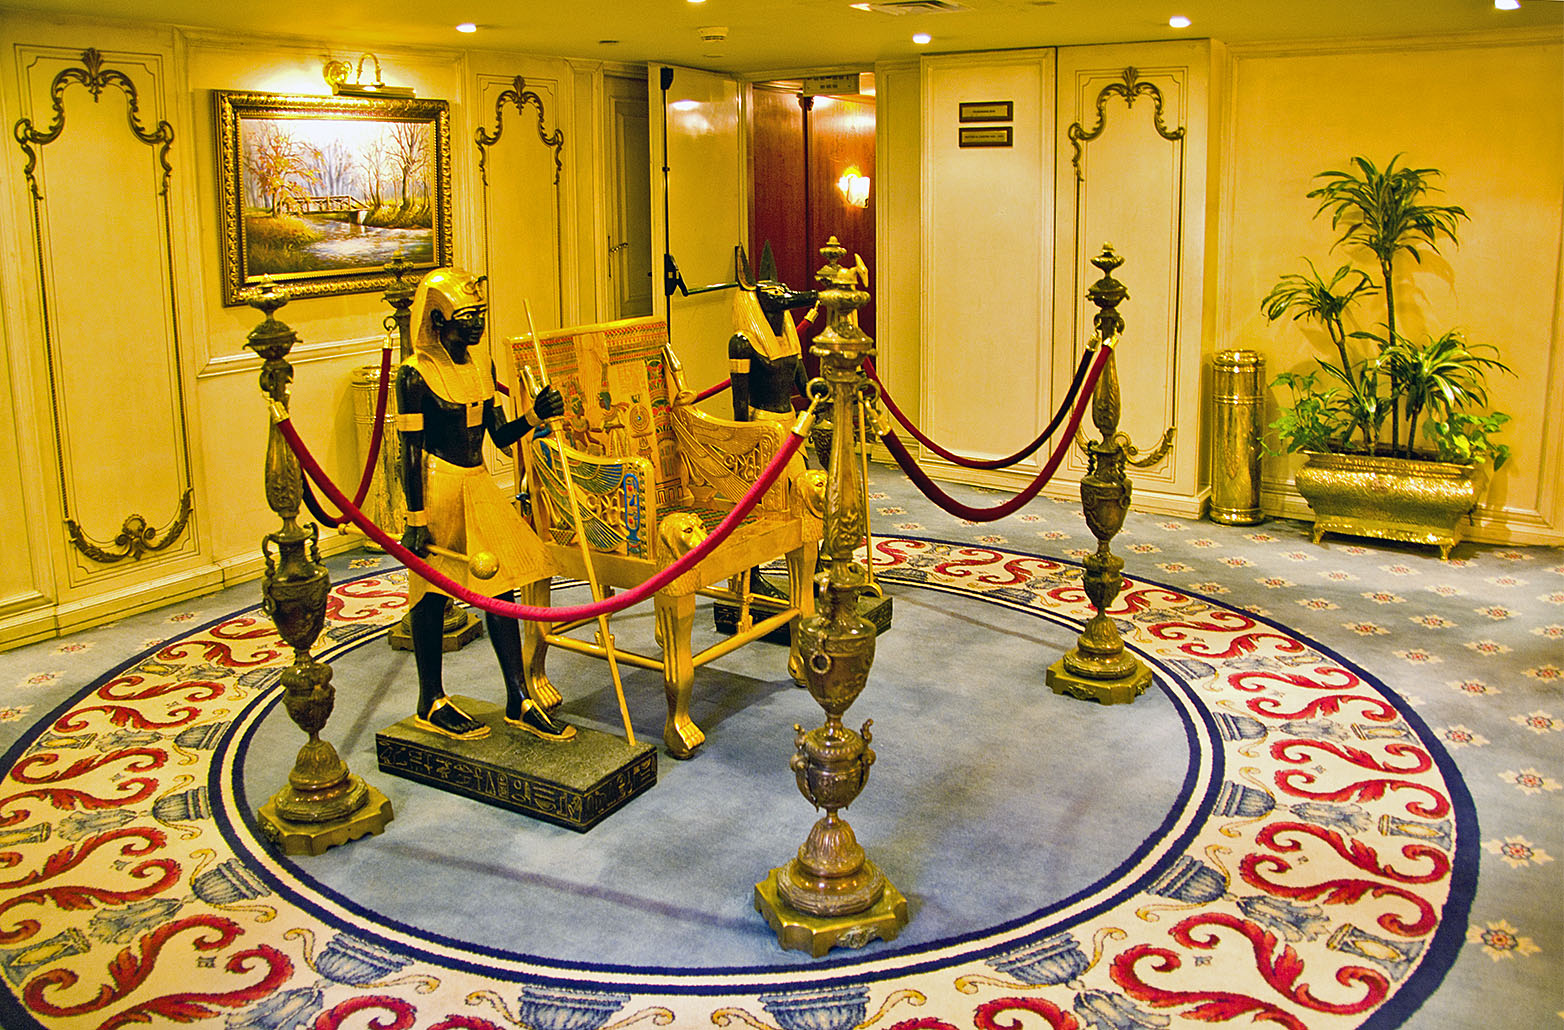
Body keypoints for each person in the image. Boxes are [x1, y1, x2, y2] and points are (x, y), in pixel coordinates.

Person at [396, 267, 574, 742]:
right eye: (466, 317)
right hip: (437, 488)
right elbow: (408, 451)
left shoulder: (481, 365)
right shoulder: (415, 374)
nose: (476, 325)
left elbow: (498, 436)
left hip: (476, 483)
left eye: (480, 315)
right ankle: (431, 699)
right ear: (437, 321)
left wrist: (534, 414)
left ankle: (518, 696)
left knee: (500, 586)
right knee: (431, 592)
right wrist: (415, 520)